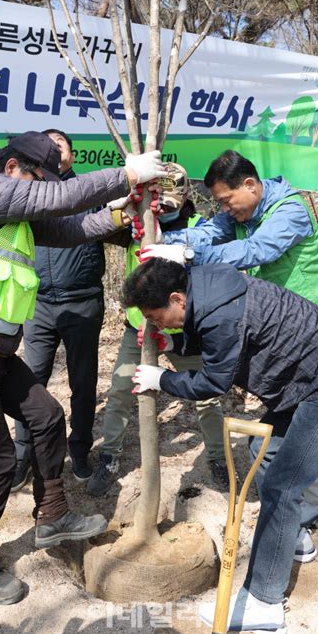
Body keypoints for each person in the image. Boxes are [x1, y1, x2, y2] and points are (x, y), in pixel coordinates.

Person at [0, 130, 165, 605]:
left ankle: (52, 514)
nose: (40, 189)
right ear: (13, 167)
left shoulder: (15, 216)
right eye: (37, 177)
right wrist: (127, 172)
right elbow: (58, 196)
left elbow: (72, 227)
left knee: (47, 416)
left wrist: (124, 210)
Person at [124, 258, 318, 634]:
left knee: (281, 488)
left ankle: (265, 604)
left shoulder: (219, 313)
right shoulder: (205, 286)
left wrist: (163, 379)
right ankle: (293, 538)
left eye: (157, 317)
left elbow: (213, 381)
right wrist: (174, 341)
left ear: (177, 297)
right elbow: (213, 334)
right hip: (304, 383)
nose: (156, 324)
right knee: (263, 449)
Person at [139, 149, 318, 535]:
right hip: (288, 334)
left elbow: (257, 250)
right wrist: (163, 238)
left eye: (227, 200)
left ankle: (315, 507)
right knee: (295, 416)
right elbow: (207, 233)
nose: (225, 209)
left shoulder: (288, 211)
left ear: (250, 185)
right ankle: (295, 496)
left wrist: (188, 253)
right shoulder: (239, 212)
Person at [86, 163, 227, 497]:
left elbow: (212, 266)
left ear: (183, 196)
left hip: (185, 331)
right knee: (121, 389)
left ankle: (219, 459)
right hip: (139, 327)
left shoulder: (200, 228)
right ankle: (110, 457)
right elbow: (98, 227)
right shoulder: (137, 224)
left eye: (167, 199)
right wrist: (120, 207)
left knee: (206, 396)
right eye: (155, 197)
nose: (161, 206)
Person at [11, 128, 107, 490]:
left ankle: (79, 449)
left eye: (60, 144)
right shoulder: (25, 193)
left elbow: (115, 229)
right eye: (47, 145)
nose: (53, 149)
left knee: (84, 383)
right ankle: (23, 453)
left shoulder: (89, 193)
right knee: (29, 383)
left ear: (72, 156)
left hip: (82, 301)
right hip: (37, 304)